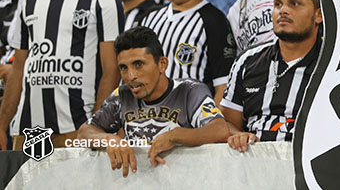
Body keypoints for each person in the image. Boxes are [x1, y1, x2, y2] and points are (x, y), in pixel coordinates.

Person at [0, 0, 124, 150]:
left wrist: (96, 127)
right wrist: (2, 124)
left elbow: (112, 70)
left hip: (76, 129)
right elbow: (19, 68)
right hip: (26, 131)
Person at [78, 26, 228, 177]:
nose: (130, 77)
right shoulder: (122, 96)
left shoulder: (190, 90)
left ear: (162, 64)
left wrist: (174, 136)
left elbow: (220, 130)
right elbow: (84, 132)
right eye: (124, 68)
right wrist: (109, 139)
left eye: (138, 65)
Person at [222, 0, 323, 146]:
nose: (283, 11)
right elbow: (227, 123)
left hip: (308, 168)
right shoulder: (247, 61)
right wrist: (238, 135)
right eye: (278, 4)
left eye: (295, 4)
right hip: (254, 165)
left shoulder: (333, 64)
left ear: (318, 15)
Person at [137, 0, 235, 104]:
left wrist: (211, 125)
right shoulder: (148, 17)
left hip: (190, 123)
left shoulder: (214, 21)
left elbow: (223, 87)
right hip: (144, 121)